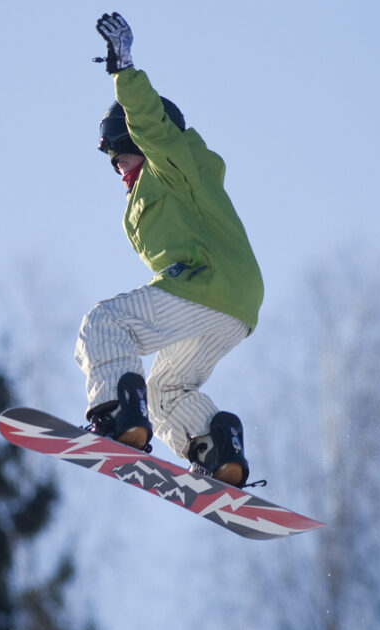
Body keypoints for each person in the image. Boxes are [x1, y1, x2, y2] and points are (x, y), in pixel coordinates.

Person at [75, 12, 263, 488]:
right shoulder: (150, 198)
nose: (116, 163)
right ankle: (218, 449)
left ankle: (119, 414)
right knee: (166, 391)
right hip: (230, 305)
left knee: (106, 323)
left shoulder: (175, 167)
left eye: (119, 150)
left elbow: (152, 127)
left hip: (207, 284)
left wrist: (124, 70)